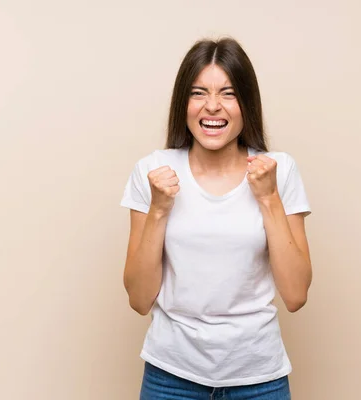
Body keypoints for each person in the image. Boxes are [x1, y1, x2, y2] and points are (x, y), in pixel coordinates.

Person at [120, 37, 312, 400]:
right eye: (198, 93)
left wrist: (269, 197)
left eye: (227, 93)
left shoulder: (279, 171)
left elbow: (296, 294)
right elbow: (139, 298)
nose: (212, 107)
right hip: (169, 376)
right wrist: (159, 209)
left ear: (247, 103)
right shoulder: (152, 171)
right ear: (183, 103)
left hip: (259, 378)